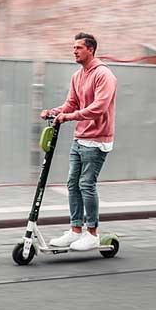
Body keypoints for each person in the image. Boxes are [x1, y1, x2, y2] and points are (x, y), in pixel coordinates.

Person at [40, 32, 118, 250]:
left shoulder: (104, 75)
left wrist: (70, 117)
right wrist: (53, 113)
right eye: (73, 48)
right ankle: (76, 230)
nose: (74, 51)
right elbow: (71, 104)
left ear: (90, 50)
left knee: (86, 184)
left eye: (78, 48)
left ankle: (92, 233)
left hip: (97, 139)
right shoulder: (77, 76)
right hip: (80, 138)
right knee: (72, 184)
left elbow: (98, 108)